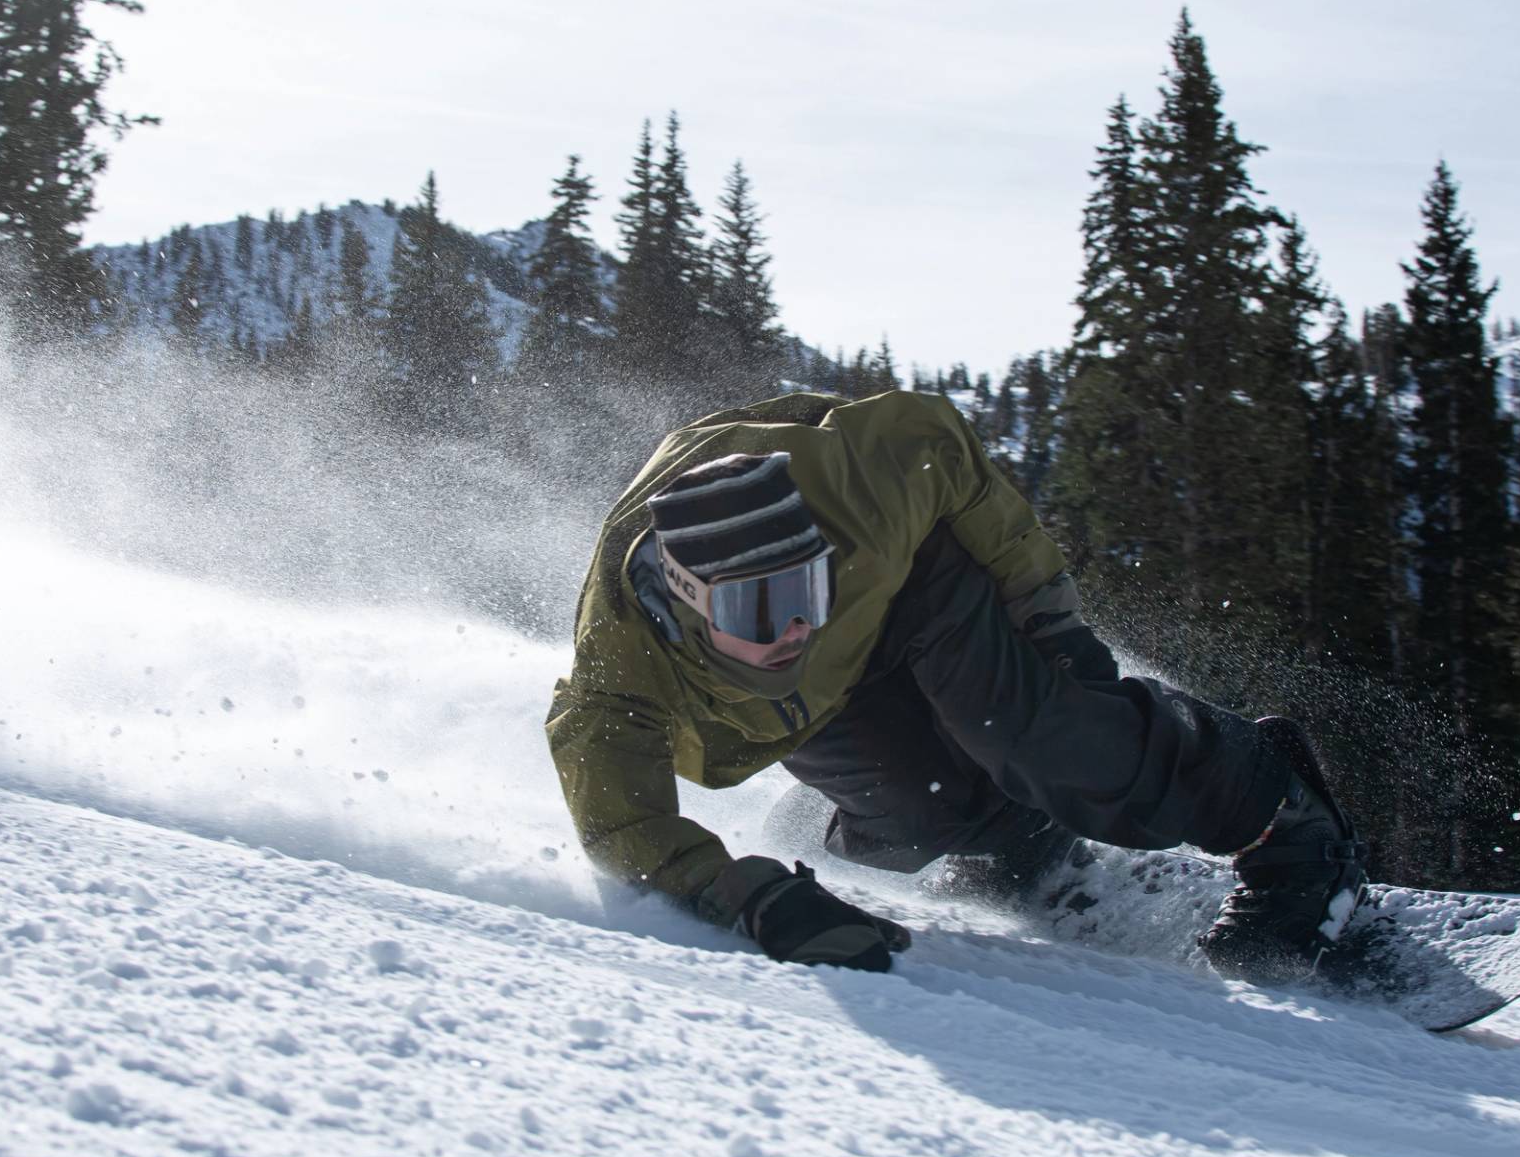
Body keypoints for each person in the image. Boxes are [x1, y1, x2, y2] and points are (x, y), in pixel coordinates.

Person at [545, 389, 1366, 982]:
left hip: (913, 578)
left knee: (1039, 733)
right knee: (915, 816)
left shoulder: (856, 494)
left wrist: (1050, 623)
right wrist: (745, 894)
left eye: (805, 591)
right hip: (819, 686)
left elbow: (936, 441)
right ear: (686, 600)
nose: (796, 623)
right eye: (762, 609)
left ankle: (1283, 818)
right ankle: (1017, 833)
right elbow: (627, 827)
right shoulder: (618, 678)